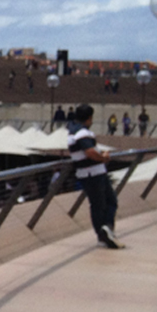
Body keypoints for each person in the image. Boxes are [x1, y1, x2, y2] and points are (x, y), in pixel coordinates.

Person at [68, 104, 123, 249]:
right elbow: (89, 152)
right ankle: (106, 230)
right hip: (94, 173)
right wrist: (103, 157)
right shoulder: (82, 133)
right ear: (89, 118)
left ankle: (104, 233)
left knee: (98, 204)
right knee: (108, 202)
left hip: (86, 173)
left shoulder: (72, 131)